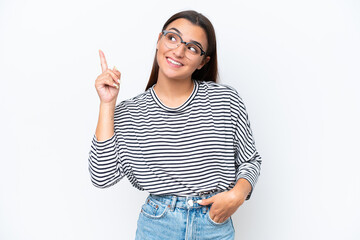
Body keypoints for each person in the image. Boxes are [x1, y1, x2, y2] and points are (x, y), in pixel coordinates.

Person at [88, 10, 262, 240]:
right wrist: (107, 104)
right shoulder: (130, 113)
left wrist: (237, 195)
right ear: (159, 40)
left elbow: (250, 160)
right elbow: (102, 176)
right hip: (158, 226)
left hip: (214, 223)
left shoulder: (225, 100)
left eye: (192, 47)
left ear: (203, 61)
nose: (178, 51)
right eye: (172, 38)